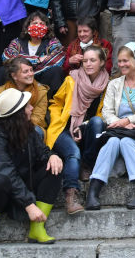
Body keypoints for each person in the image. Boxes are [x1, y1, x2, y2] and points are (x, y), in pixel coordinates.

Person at [0, 88, 63, 247]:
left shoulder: (27, 128)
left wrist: (52, 155)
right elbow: (7, 173)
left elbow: (42, 152)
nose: (32, 108)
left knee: (54, 167)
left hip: (23, 187)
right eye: (27, 106)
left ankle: (37, 228)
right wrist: (30, 205)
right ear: (18, 113)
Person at [85, 42, 135, 210]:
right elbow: (107, 112)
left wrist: (128, 121)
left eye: (126, 60)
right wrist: (120, 124)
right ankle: (93, 192)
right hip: (116, 129)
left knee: (125, 142)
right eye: (120, 61)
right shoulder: (114, 84)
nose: (121, 64)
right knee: (113, 142)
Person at [46, 45, 109, 214]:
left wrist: (82, 126)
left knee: (97, 122)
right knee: (73, 153)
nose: (88, 64)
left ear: (102, 62)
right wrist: (59, 119)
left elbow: (105, 113)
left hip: (87, 130)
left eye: (93, 60)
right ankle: (71, 196)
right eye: (85, 60)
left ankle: (86, 165)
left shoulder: (106, 85)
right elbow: (55, 103)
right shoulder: (71, 79)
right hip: (64, 128)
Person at [0, 11, 65, 96]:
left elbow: (58, 58)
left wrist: (29, 69)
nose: (38, 25)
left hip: (41, 79)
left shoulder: (53, 42)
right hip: (20, 77)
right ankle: (7, 102)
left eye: (42, 23)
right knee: (2, 70)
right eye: (35, 23)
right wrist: (36, 60)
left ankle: (48, 105)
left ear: (47, 27)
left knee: (56, 70)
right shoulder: (17, 42)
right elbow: (7, 56)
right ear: (28, 27)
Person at [0, 57, 50, 134]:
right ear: (14, 76)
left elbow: (38, 119)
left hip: (29, 126)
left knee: (37, 131)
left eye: (31, 70)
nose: (31, 74)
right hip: (5, 125)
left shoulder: (41, 91)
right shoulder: (2, 91)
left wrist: (16, 127)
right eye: (25, 71)